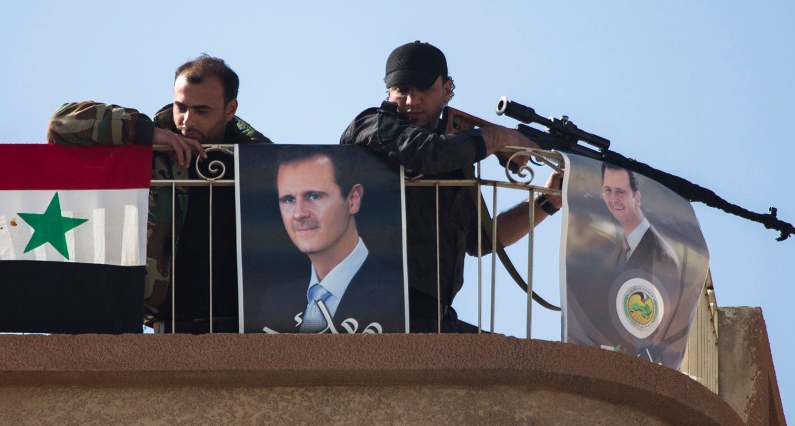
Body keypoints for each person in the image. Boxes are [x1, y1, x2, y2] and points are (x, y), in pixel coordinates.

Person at [341, 40, 562, 332]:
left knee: (516, 363)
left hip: (433, 316)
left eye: (423, 89)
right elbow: (426, 153)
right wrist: (494, 139)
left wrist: (547, 202)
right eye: (402, 90)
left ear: (447, 91)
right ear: (388, 92)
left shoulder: (454, 157)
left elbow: (481, 239)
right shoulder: (373, 125)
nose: (411, 100)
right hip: (372, 311)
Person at [47, 55, 271, 333]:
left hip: (246, 323)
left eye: (202, 110)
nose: (187, 120)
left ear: (230, 109)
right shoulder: (150, 144)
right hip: (169, 321)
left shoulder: (261, 160)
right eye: (181, 107)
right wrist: (150, 135)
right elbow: (61, 124)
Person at [256, 146, 406, 333]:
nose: (298, 214)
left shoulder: (400, 295)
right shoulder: (274, 302)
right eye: (288, 199)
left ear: (353, 199)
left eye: (313, 196)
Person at [601, 164, 680, 277]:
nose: (613, 199)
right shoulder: (616, 252)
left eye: (620, 191)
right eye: (607, 190)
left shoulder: (662, 256)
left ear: (637, 199)